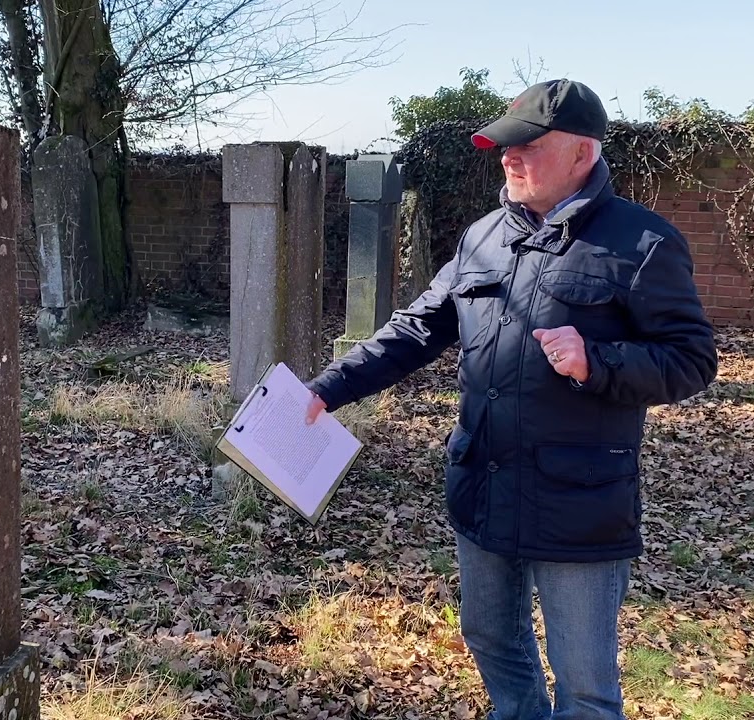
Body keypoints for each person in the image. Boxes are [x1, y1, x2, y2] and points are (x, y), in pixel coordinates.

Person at [303, 79, 718, 719]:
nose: (508, 157)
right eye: (503, 146)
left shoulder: (642, 243)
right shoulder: (483, 238)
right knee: (492, 638)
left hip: (578, 500)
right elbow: (417, 328)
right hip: (484, 485)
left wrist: (598, 361)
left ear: (583, 153)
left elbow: (692, 360)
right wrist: (328, 389)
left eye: (527, 145)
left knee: (583, 686)